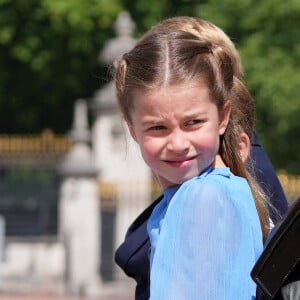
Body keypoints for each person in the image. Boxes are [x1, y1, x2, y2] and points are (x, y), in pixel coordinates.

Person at [113, 15, 271, 299]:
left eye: (193, 123)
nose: (177, 143)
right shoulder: (207, 192)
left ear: (223, 117)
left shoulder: (203, 197)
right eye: (158, 127)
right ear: (132, 129)